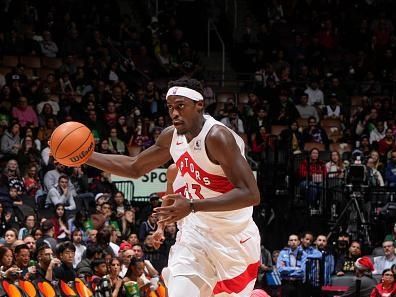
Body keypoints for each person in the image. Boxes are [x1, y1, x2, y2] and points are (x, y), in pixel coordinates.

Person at [85, 78, 261, 297]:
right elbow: (134, 166)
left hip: (233, 238)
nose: (174, 113)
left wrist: (193, 206)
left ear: (199, 105)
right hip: (195, 232)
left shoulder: (217, 137)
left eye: (180, 106)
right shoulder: (172, 136)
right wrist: (85, 156)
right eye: (170, 107)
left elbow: (251, 194)